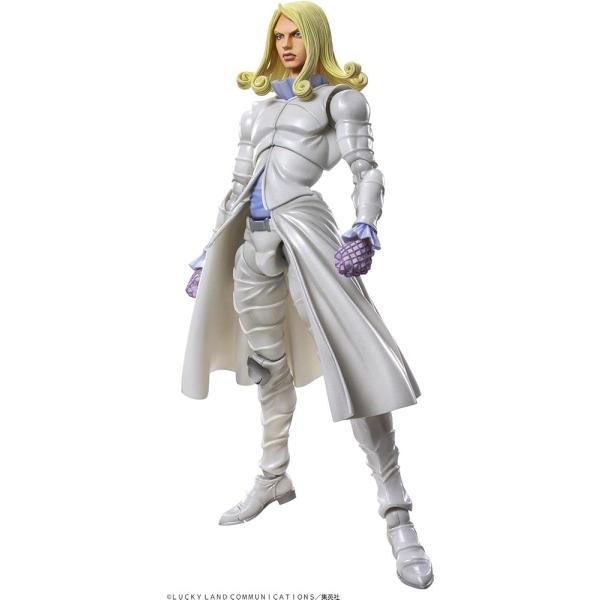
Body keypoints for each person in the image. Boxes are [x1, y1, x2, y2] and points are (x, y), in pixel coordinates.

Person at [182, 1, 434, 589]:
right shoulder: (258, 112)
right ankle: (274, 476)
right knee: (266, 365)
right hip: (251, 244)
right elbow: (236, 186)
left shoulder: (340, 100)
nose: (287, 44)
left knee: (356, 366)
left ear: (315, 37)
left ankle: (397, 515)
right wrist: (208, 252)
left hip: (308, 235)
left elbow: (366, 170)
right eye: (279, 35)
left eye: (296, 34)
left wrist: (364, 228)